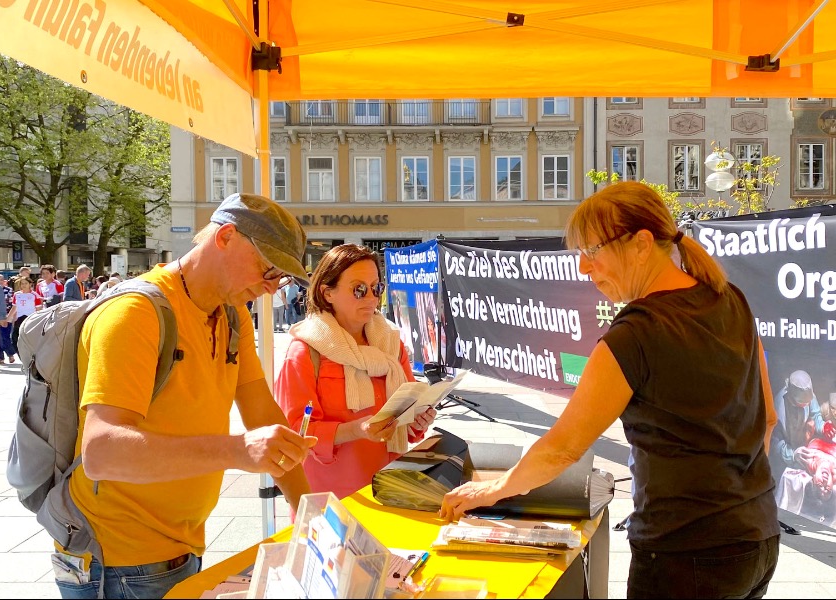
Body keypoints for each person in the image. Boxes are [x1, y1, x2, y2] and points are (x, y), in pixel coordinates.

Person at [440, 181, 780, 599]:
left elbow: (562, 449)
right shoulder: (731, 299)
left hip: (685, 553)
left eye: (593, 251)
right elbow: (768, 418)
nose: (585, 268)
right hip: (757, 536)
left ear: (640, 243)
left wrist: (492, 489)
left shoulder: (636, 333)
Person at [54, 192, 317, 599]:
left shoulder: (231, 315)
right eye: (268, 270)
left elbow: (262, 412)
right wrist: (237, 451)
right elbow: (102, 452)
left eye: (279, 279)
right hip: (117, 562)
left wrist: (310, 513)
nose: (269, 290)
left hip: (179, 548)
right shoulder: (135, 313)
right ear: (226, 236)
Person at [274, 244, 437, 500]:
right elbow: (296, 432)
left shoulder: (391, 343)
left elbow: (405, 415)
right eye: (359, 289)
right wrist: (357, 430)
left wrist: (418, 420)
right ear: (327, 293)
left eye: (377, 288)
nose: (371, 298)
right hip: (329, 498)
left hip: (391, 488)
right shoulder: (305, 351)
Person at [771, 369, 832, 473]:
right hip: (784, 457)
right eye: (803, 403)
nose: (808, 405)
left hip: (803, 446)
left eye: (809, 402)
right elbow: (775, 443)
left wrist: (823, 426)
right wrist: (793, 455)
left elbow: (815, 415)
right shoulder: (778, 408)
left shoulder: (808, 396)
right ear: (792, 398)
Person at [0, 274, 15, 364]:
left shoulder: (7, 290)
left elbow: (6, 304)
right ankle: (0, 357)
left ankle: (9, 355)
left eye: (1, 279)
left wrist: (6, 317)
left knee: (4, 336)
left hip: (5, 316)